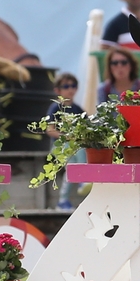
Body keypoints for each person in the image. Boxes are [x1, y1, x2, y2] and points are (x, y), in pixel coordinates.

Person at [45, 72, 85, 210]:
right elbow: (49, 130)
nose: (70, 89)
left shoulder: (78, 109)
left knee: (72, 166)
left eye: (73, 86)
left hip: (73, 148)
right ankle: (83, 178)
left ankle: (63, 200)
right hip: (59, 148)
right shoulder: (56, 108)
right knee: (75, 154)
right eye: (66, 86)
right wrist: (66, 136)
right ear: (57, 90)